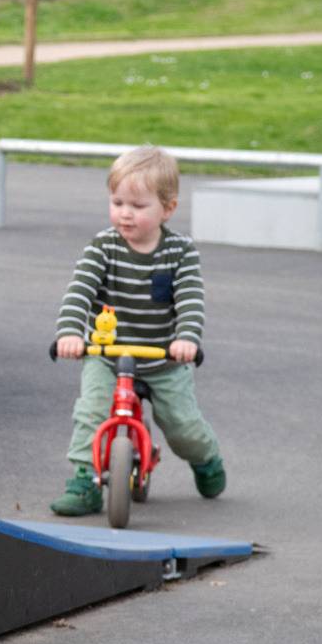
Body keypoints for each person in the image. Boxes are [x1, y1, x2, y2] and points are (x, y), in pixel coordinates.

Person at [50, 146, 227, 516]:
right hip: (107, 356)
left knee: (182, 426)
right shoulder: (103, 247)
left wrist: (186, 338)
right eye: (117, 202)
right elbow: (79, 291)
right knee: (91, 412)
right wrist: (69, 332)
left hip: (162, 359)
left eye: (138, 205)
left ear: (168, 208)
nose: (125, 213)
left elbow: (191, 299)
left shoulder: (179, 252)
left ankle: (205, 458)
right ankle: (85, 480)